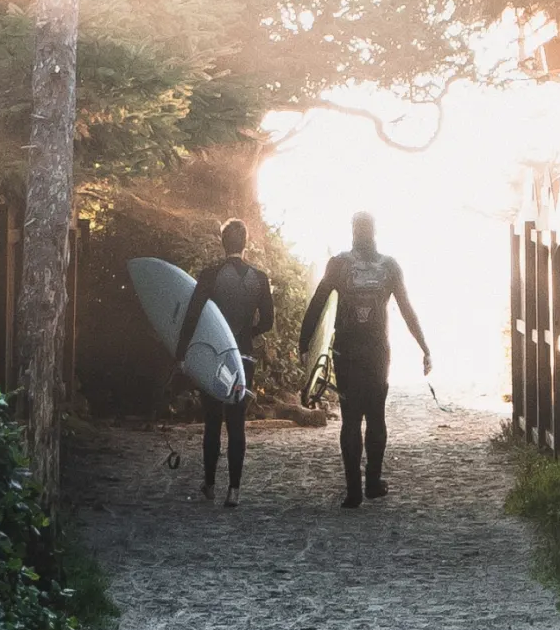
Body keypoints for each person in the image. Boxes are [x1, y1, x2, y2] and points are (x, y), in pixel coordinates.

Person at [298, 211, 431, 508]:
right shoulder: (389, 267)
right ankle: (373, 482)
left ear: (353, 232)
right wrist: (424, 347)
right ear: (374, 232)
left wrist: (303, 342)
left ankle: (353, 491)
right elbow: (407, 309)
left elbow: (318, 303)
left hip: (346, 350)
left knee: (350, 418)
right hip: (377, 351)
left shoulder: (339, 265)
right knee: (376, 416)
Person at [175, 218, 274, 507]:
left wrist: (181, 354)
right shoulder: (260, 278)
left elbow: (192, 316)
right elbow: (267, 322)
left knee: (212, 421)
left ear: (222, 242)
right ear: (245, 244)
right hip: (244, 356)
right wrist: (247, 333)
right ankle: (235, 489)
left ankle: (209, 483)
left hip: (213, 355)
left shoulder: (209, 275)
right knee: (237, 422)